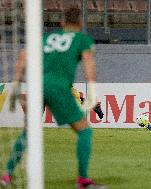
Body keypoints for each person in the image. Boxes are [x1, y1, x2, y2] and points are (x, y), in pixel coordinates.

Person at [0, 7, 105, 189]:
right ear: (80, 23)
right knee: (84, 131)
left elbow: (23, 56)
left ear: (62, 23)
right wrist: (92, 93)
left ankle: (7, 175)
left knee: (29, 131)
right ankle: (83, 180)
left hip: (37, 85)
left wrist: (16, 84)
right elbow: (88, 64)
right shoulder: (82, 39)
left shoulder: (46, 38)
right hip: (58, 86)